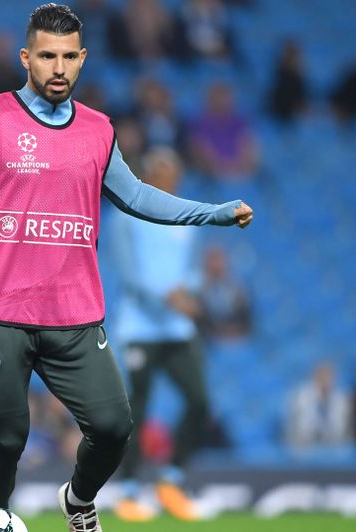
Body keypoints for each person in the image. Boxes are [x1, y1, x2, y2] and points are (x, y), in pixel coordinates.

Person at [0, 5, 252, 530]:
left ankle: (79, 498)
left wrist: (212, 213)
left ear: (83, 59)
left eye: (69, 56)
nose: (59, 67)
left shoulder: (98, 131)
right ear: (27, 58)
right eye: (47, 56)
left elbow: (136, 196)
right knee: (6, 435)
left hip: (73, 314)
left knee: (114, 427)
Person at [109, 147, 210, 522]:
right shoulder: (127, 215)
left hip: (177, 329)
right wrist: (168, 297)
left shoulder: (187, 217)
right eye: (164, 173)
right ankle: (130, 487)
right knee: (136, 408)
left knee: (200, 401)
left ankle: (172, 477)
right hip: (140, 327)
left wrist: (192, 292)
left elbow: (195, 270)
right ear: (150, 176)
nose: (172, 181)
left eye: (175, 174)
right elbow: (129, 273)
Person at [189, 82, 259, 181]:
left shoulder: (239, 124)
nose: (222, 103)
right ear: (210, 101)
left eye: (225, 99)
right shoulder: (200, 125)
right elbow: (202, 152)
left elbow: (248, 150)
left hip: (240, 175)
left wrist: (237, 167)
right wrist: (223, 168)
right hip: (213, 177)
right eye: (218, 99)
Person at [285, 362, 352, 448]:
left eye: (328, 377)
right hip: (305, 448)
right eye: (321, 376)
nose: (324, 381)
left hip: (333, 448)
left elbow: (344, 433)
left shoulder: (341, 400)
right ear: (314, 377)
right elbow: (293, 430)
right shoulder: (300, 398)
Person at [196, 246, 252, 341]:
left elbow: (246, 321)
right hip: (209, 341)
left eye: (218, 260)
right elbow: (200, 322)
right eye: (211, 260)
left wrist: (230, 332)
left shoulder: (238, 290)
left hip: (236, 339)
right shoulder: (199, 291)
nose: (215, 265)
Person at [266, 39, 307, 123]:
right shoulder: (278, 78)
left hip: (291, 117)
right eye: (290, 56)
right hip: (279, 115)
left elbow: (303, 101)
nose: (295, 60)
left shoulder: (300, 80)